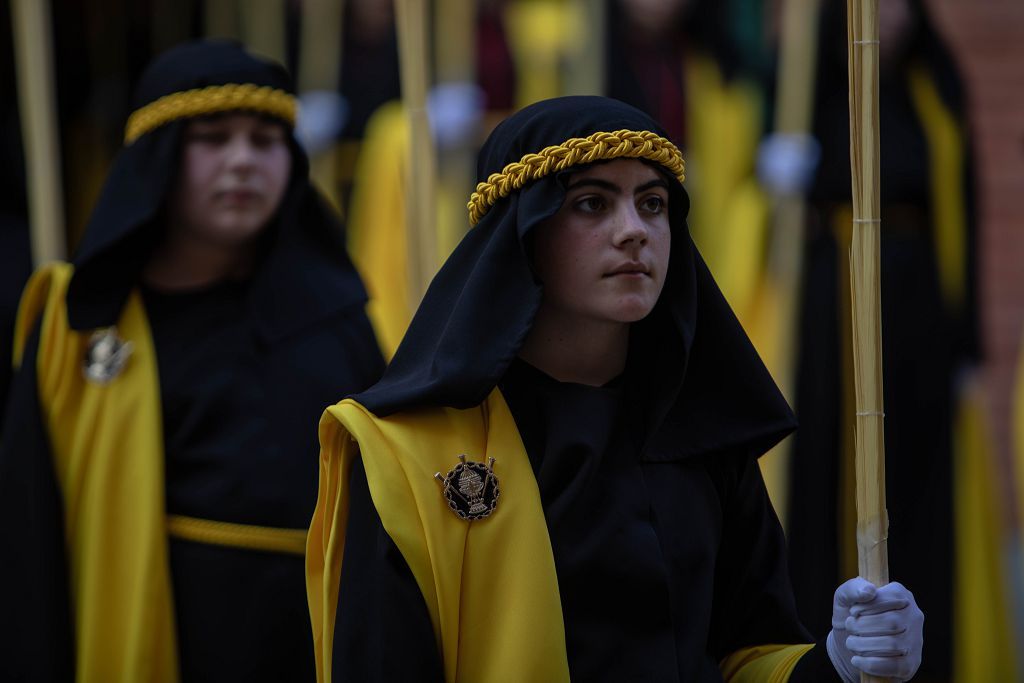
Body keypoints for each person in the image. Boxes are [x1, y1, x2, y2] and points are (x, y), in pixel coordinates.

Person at [306, 96, 924, 682]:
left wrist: (836, 665)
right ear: (523, 233)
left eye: (652, 204)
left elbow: (747, 654)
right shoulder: (408, 456)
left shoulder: (704, 434)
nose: (634, 230)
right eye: (592, 204)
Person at [0, 40, 384, 682]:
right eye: (213, 138)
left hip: (312, 637)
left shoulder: (337, 317)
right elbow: (28, 527)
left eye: (265, 142)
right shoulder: (80, 320)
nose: (242, 162)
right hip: (165, 633)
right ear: (157, 158)